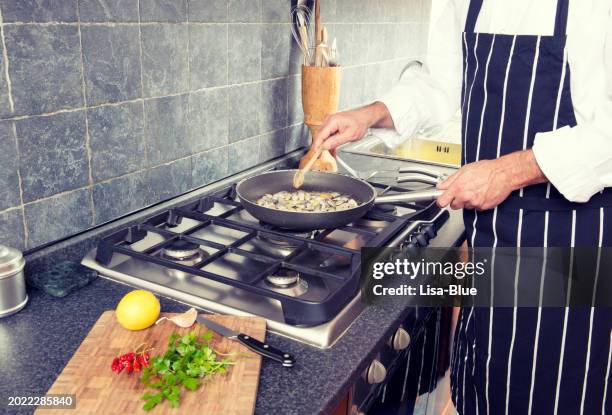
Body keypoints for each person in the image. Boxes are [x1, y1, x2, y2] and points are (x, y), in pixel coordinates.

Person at [313, 0, 612, 414]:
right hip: (490, 235)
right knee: (484, 386)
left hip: (567, 247)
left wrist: (508, 172)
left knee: (546, 393)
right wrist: (372, 114)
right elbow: (442, 81)